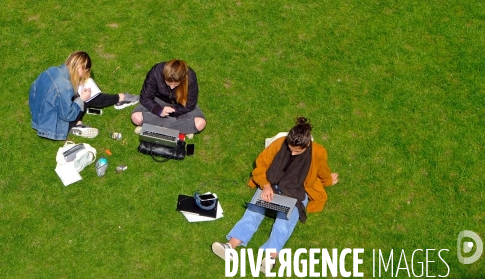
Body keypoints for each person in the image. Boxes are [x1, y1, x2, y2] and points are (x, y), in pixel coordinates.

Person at [211, 117, 339, 273]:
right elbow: (262, 163)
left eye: (296, 151)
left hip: (297, 190)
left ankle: (270, 257)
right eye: (290, 148)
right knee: (253, 212)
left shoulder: (318, 152)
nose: (292, 152)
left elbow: (323, 171)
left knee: (283, 223)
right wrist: (265, 186)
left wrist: (328, 181)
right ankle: (230, 246)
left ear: (307, 145)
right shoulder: (280, 143)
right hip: (273, 184)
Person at [29, 51, 139, 141]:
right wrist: (81, 99)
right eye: (85, 71)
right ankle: (120, 98)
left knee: (83, 95)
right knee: (88, 98)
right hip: (51, 126)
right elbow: (68, 116)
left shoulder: (53, 70)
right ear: (80, 68)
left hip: (39, 116)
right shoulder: (65, 86)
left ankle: (119, 98)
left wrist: (75, 84)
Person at [130, 59, 206, 137]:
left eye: (176, 85)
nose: (172, 87)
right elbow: (145, 97)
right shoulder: (156, 71)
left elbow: (190, 104)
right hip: (159, 100)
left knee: (200, 123)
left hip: (180, 105)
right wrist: (159, 110)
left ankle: (153, 127)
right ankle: (182, 127)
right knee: (136, 117)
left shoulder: (190, 76)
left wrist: (172, 110)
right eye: (168, 83)